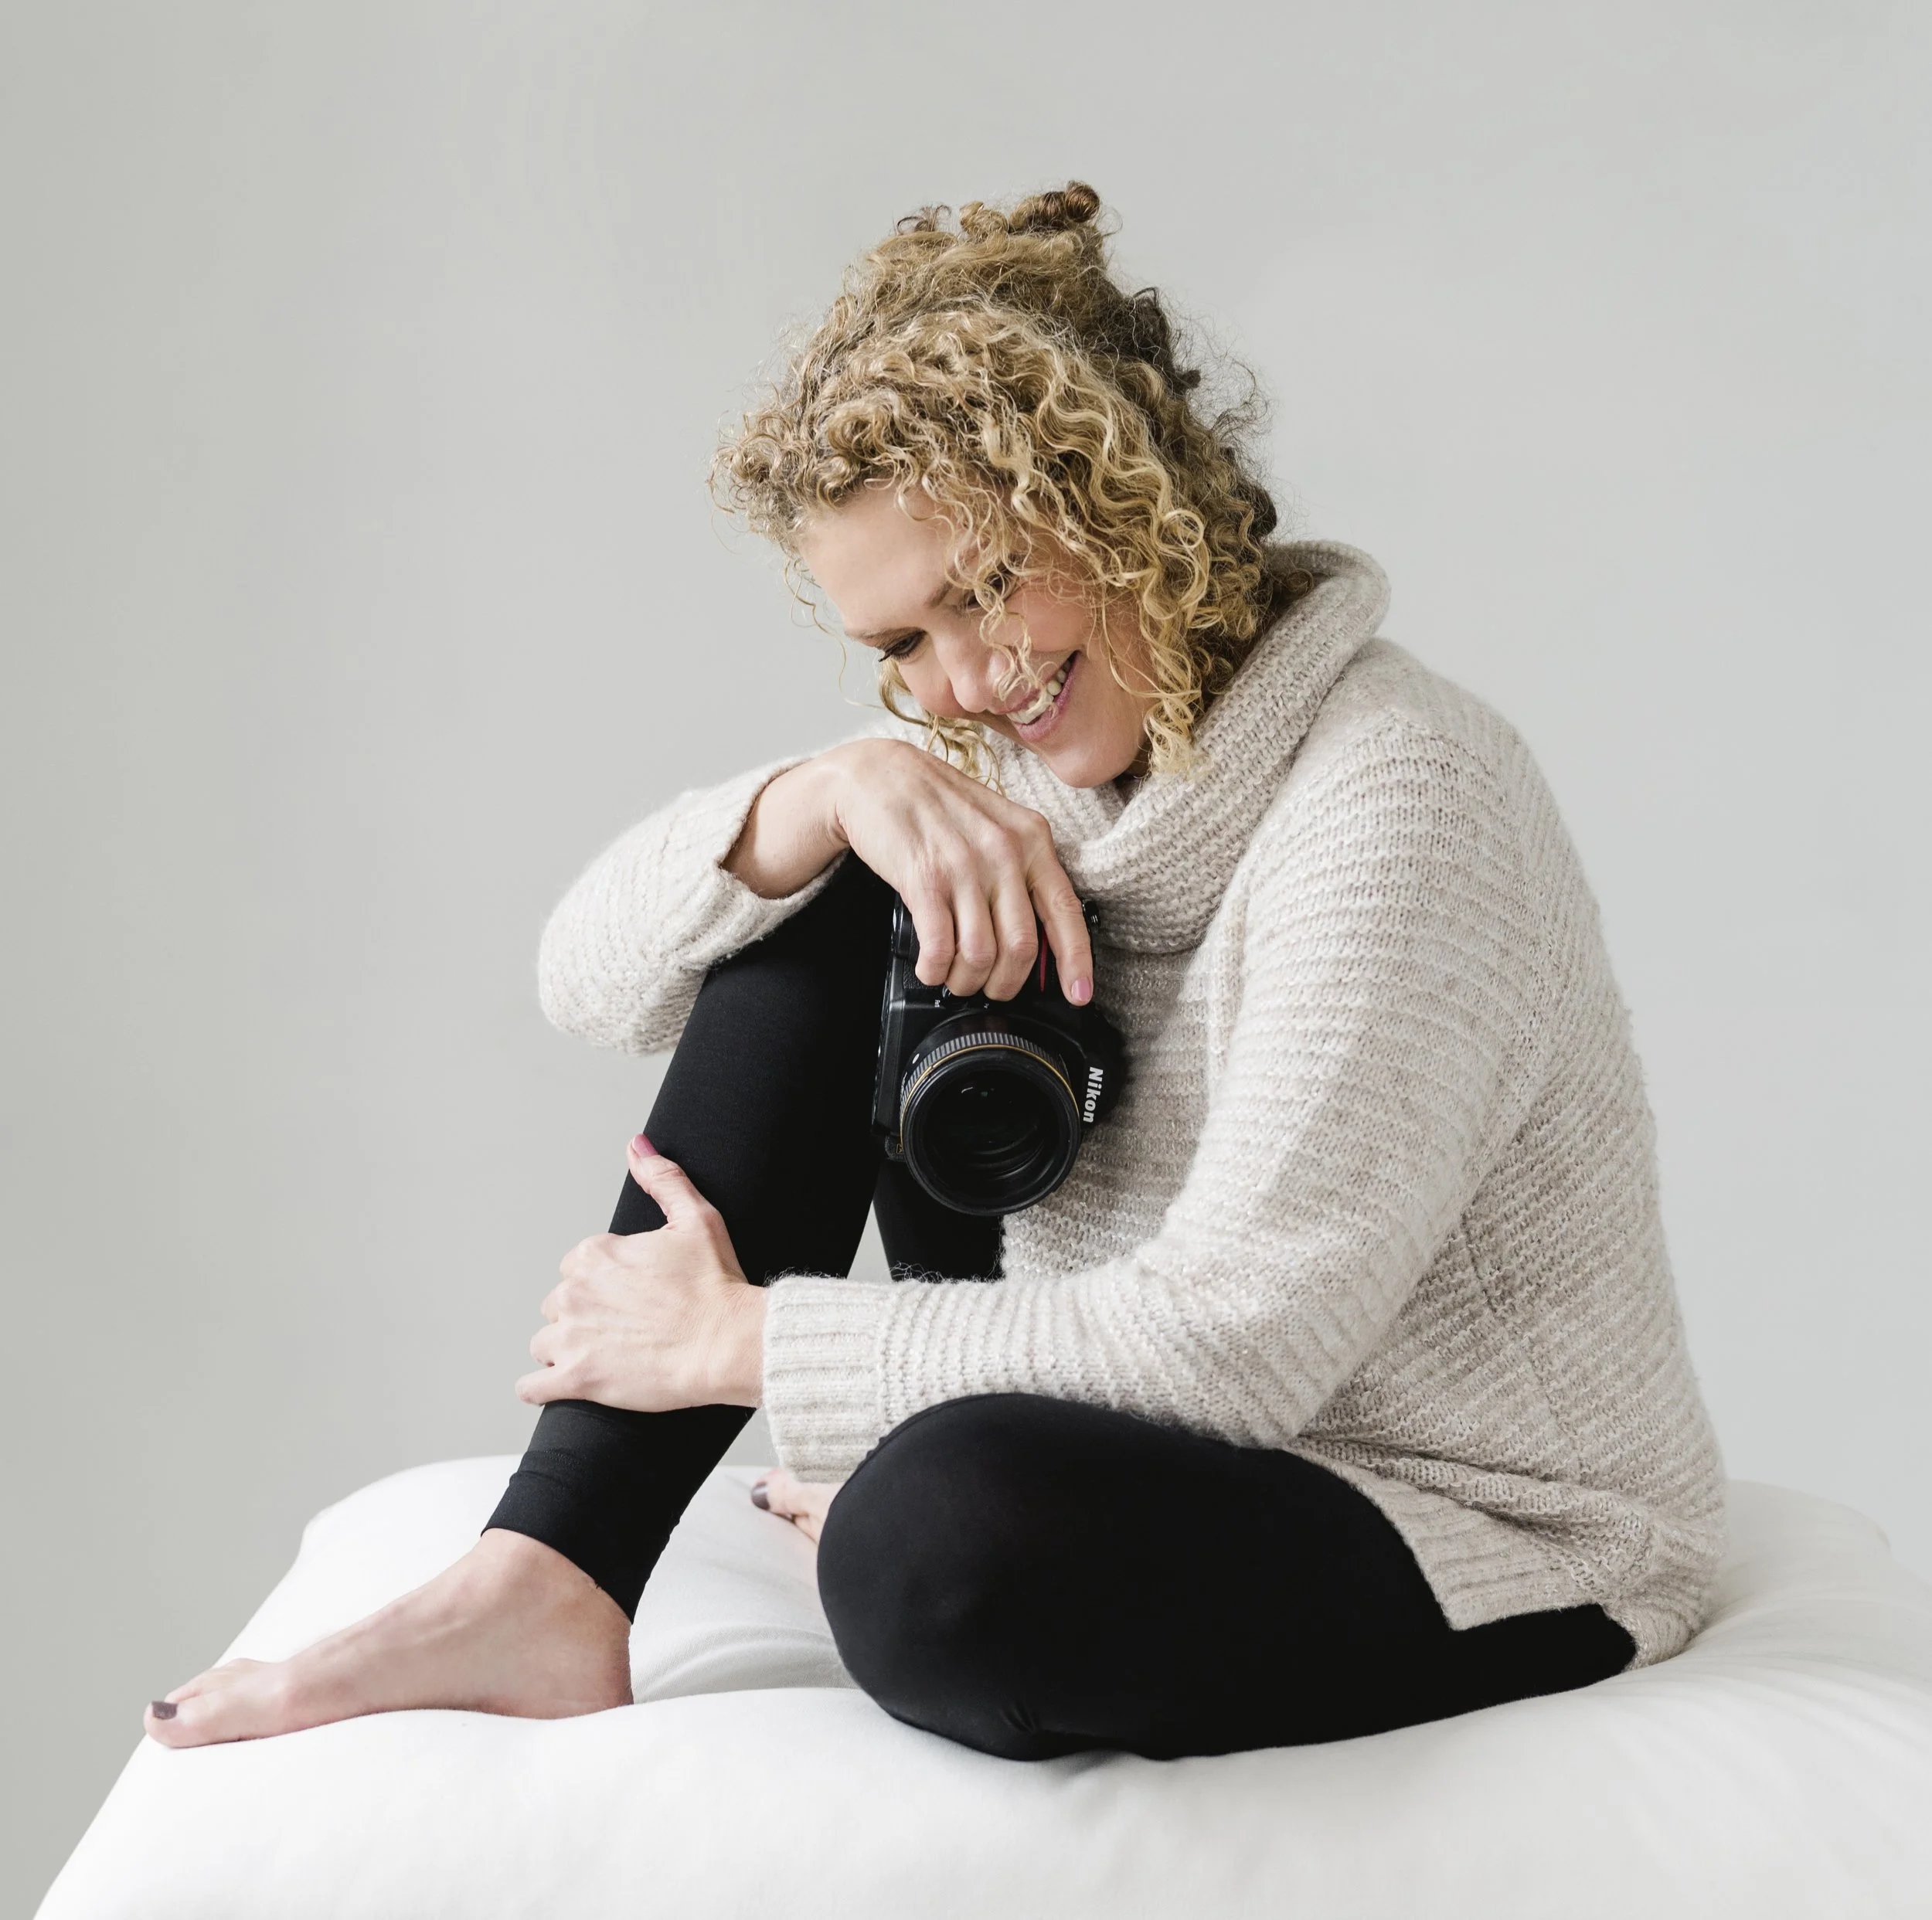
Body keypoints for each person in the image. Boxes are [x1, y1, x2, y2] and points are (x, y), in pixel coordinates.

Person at [146, 182, 1725, 1762]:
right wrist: (817, 794)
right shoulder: (999, 772)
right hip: (1139, 1433)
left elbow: (1233, 1351)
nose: (962, 682)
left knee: (937, 1552)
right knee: (846, 884)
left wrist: (738, 1341)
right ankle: (547, 1577)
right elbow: (588, 984)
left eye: (982, 589)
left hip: (1469, 1518)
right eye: (899, 644)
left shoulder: (1399, 794)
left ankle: (855, 1503)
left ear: (1125, 498)